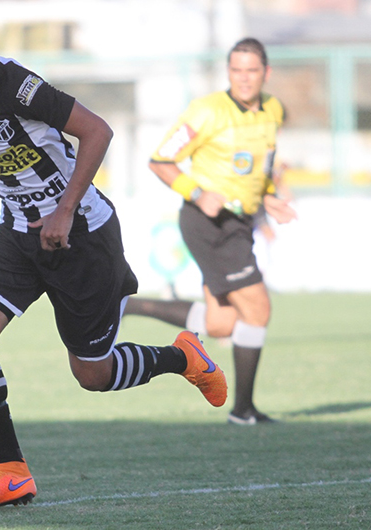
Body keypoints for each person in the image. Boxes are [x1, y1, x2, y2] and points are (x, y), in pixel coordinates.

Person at [0, 14, 227, 509]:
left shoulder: (20, 88)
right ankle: (12, 471)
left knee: (92, 375)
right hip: (17, 235)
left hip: (82, 235)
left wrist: (64, 209)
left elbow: (98, 131)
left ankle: (182, 357)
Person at [124, 38, 297, 426]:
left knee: (221, 324)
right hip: (209, 224)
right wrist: (198, 193)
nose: (244, 78)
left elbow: (260, 167)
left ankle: (130, 305)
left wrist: (268, 198)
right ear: (228, 72)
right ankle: (243, 410)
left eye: (251, 70)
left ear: (265, 73)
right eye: (236, 70)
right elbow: (161, 160)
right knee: (258, 309)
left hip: (239, 223)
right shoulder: (207, 112)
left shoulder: (273, 110)